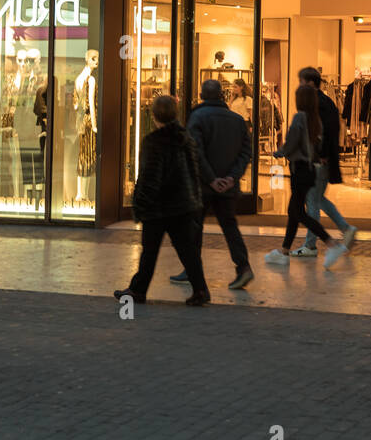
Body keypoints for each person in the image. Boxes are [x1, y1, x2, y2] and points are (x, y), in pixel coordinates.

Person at [114, 95, 211, 307]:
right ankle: (200, 289)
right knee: (187, 250)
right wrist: (195, 199)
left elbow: (150, 177)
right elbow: (195, 172)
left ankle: (138, 290)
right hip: (183, 205)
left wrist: (140, 205)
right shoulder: (185, 138)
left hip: (159, 207)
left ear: (154, 115)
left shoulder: (153, 142)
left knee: (149, 251)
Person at [181, 79, 255, 290]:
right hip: (228, 185)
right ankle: (243, 266)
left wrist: (211, 179)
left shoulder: (197, 117)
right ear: (222, 95)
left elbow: (196, 152)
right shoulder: (237, 120)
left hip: (204, 185)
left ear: (202, 95)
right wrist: (232, 177)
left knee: (195, 227)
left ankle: (192, 269)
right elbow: (245, 152)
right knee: (230, 227)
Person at [264, 84, 348, 268]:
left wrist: (278, 153)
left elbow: (292, 143)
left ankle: (331, 243)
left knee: (298, 212)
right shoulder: (315, 119)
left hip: (299, 170)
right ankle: (284, 250)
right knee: (294, 212)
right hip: (309, 169)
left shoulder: (299, 118)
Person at [295, 67, 357, 257]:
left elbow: (322, 132)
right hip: (322, 158)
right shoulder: (326, 102)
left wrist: (321, 153)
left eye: (302, 82)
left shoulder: (318, 104)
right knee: (318, 199)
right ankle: (345, 228)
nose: (300, 85)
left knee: (312, 201)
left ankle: (311, 245)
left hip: (318, 160)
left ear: (311, 83)